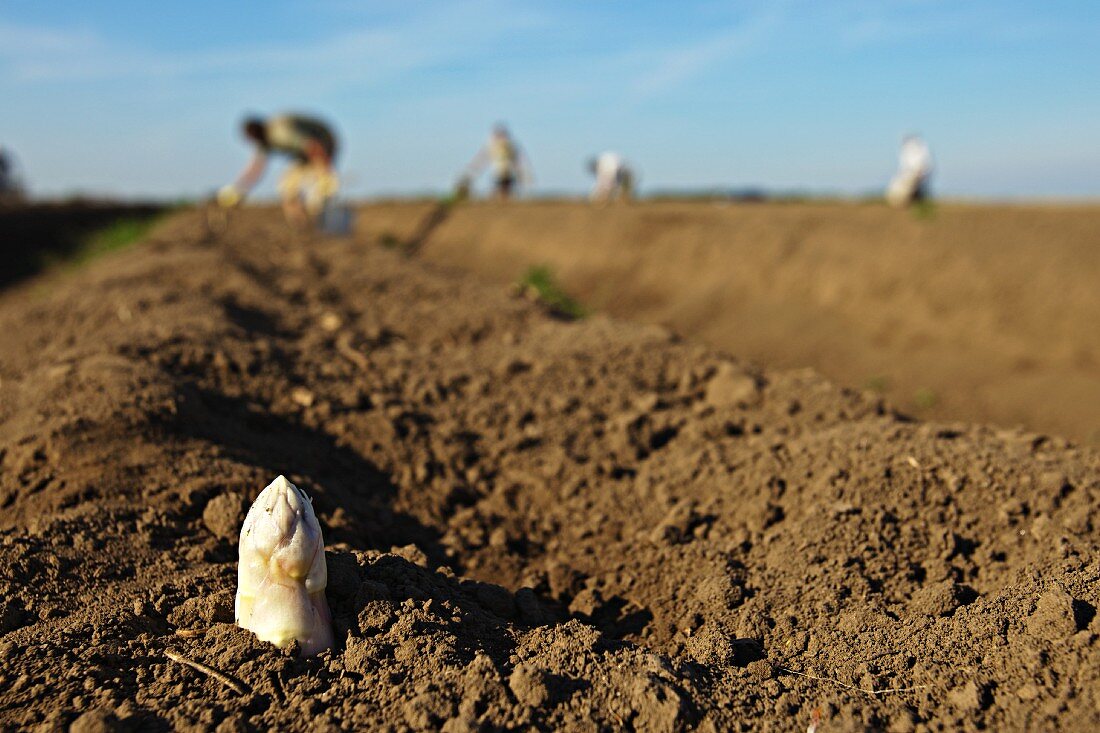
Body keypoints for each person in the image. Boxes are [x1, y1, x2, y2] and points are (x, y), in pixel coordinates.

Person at [219, 113, 340, 226]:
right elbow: (256, 168)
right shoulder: (264, 142)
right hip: (304, 154)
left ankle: (322, 220)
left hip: (323, 144)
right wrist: (239, 188)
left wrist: (325, 170)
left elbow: (313, 146)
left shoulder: (281, 133)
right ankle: (302, 225)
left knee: (320, 191)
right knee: (287, 188)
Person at [464, 124, 532, 201]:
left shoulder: (507, 145)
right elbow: (482, 158)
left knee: (503, 192)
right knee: (502, 192)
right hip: (500, 173)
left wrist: (521, 173)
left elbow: (516, 161)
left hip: (504, 173)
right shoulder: (498, 145)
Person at [886, 134, 933, 207]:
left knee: (912, 188)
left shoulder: (920, 148)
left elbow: (925, 164)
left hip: (918, 173)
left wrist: (920, 173)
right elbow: (905, 165)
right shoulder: (906, 150)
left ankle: (913, 200)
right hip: (910, 173)